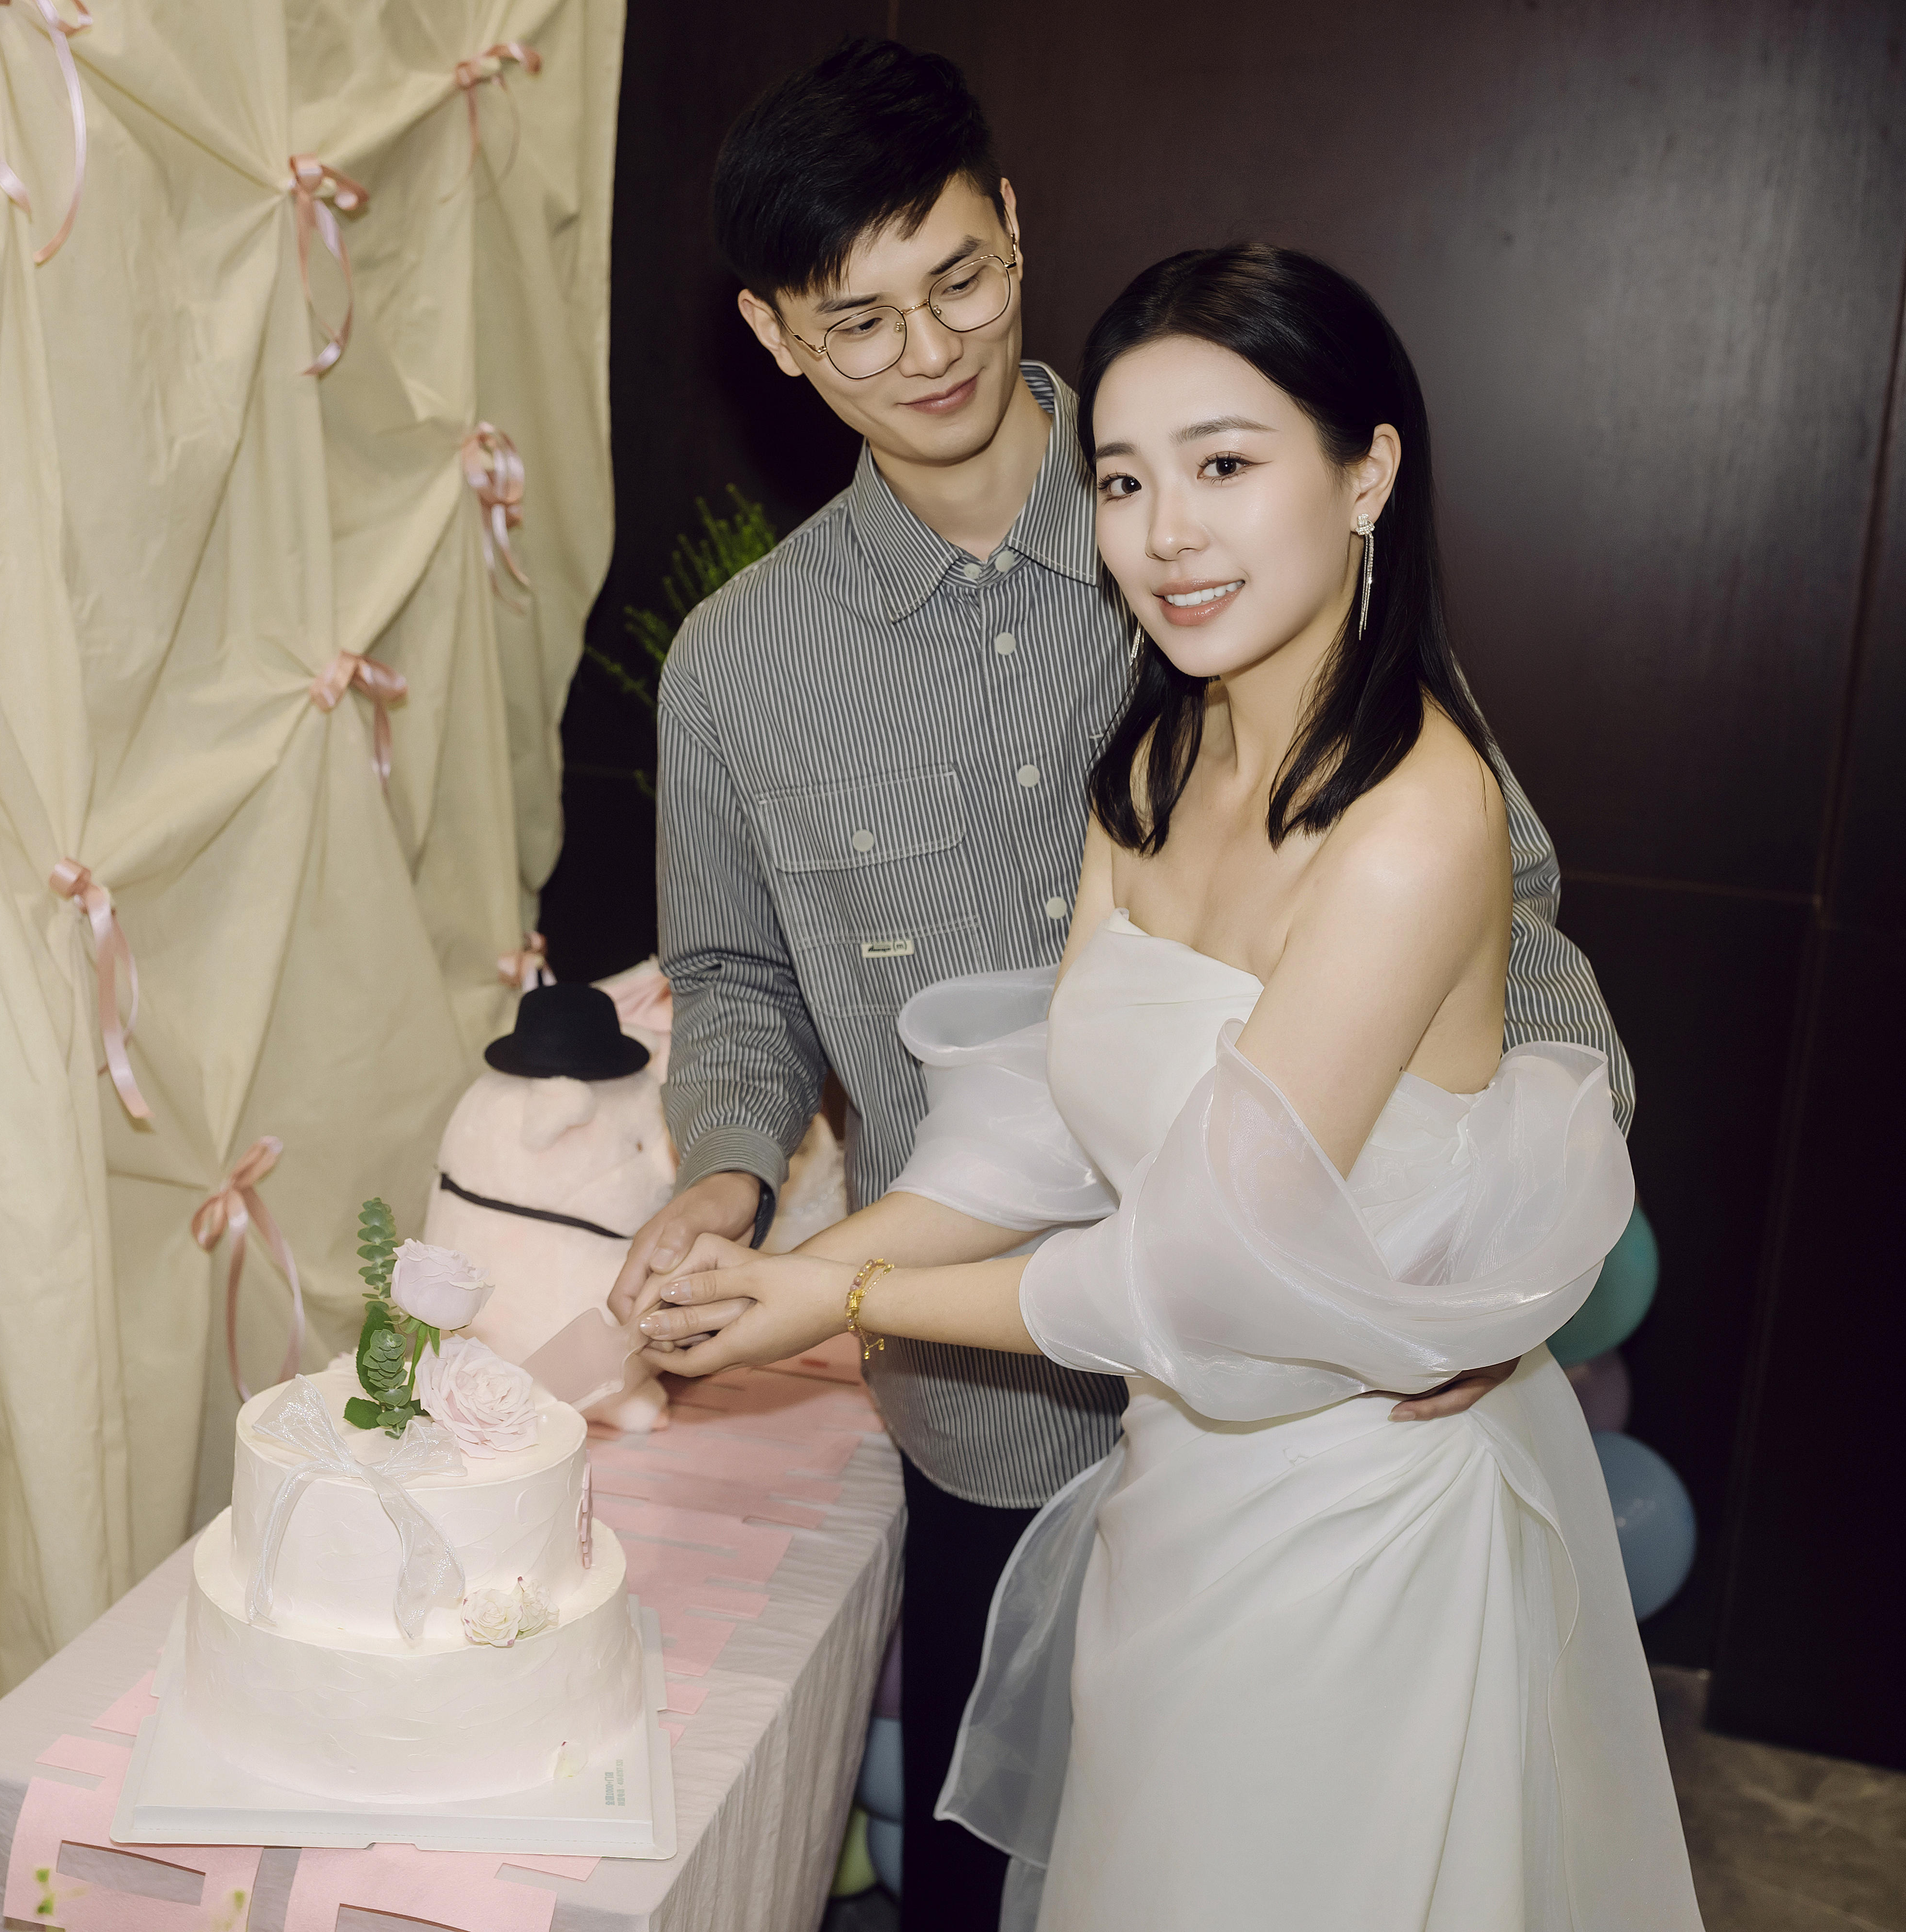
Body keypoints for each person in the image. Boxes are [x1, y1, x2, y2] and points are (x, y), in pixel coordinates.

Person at [606, 39, 1634, 1925]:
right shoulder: (753, 674)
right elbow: (761, 987)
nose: (930, 351)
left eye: (960, 280)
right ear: (774, 336)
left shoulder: (1240, 541)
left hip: (1319, 1404)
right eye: (859, 321)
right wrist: (730, 1184)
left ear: (1015, 226)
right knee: (1008, 1877)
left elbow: (1520, 928)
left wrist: (1497, 1262)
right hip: (993, 1407)